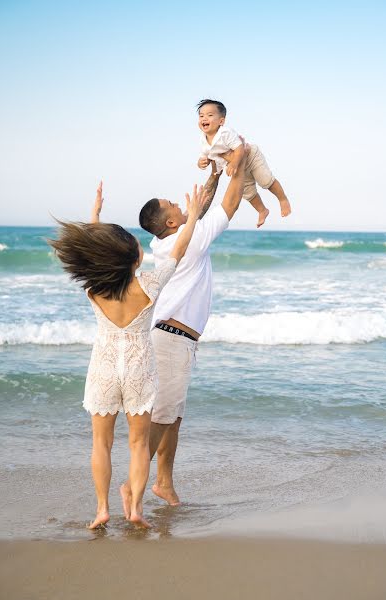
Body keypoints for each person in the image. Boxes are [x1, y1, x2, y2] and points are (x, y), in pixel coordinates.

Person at [48, 181, 208, 529]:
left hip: (104, 370)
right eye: (138, 246)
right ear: (135, 258)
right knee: (138, 444)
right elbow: (179, 249)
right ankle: (135, 509)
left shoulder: (95, 288)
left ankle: (103, 509)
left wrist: (95, 218)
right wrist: (193, 217)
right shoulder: (149, 285)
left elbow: (95, 254)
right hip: (138, 372)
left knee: (101, 444)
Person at [120, 148, 248, 514]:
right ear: (172, 223)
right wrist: (236, 164)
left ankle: (164, 483)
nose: (180, 203)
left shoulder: (165, 242)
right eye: (174, 204)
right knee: (163, 417)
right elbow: (229, 205)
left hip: (171, 338)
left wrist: (215, 173)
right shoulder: (188, 241)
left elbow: (200, 210)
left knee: (172, 417)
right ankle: (134, 483)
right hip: (172, 341)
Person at [197, 98, 291, 228]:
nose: (204, 118)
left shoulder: (225, 133)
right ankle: (262, 210)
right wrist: (202, 162)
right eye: (201, 116)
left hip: (250, 157)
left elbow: (239, 148)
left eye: (209, 115)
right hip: (237, 168)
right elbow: (205, 155)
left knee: (265, 181)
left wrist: (234, 163)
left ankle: (282, 199)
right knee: (247, 192)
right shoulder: (203, 139)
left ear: (221, 121)